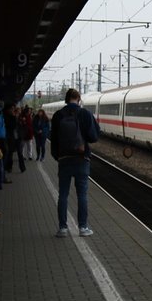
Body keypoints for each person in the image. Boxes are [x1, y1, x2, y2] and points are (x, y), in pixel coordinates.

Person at [51, 89, 100, 238]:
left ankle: (62, 228)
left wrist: (58, 156)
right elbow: (93, 137)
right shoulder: (85, 114)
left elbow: (53, 138)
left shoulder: (58, 115)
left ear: (66, 99)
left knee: (63, 195)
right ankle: (83, 228)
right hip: (81, 159)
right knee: (82, 195)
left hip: (64, 159)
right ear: (78, 99)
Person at [3, 103, 25, 175]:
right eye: (11, 109)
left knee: (20, 153)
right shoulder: (6, 117)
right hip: (10, 138)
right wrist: (14, 118)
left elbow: (21, 127)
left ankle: (22, 167)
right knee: (10, 153)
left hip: (18, 138)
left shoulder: (17, 117)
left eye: (13, 109)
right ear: (8, 109)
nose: (13, 110)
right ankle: (9, 167)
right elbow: (11, 126)